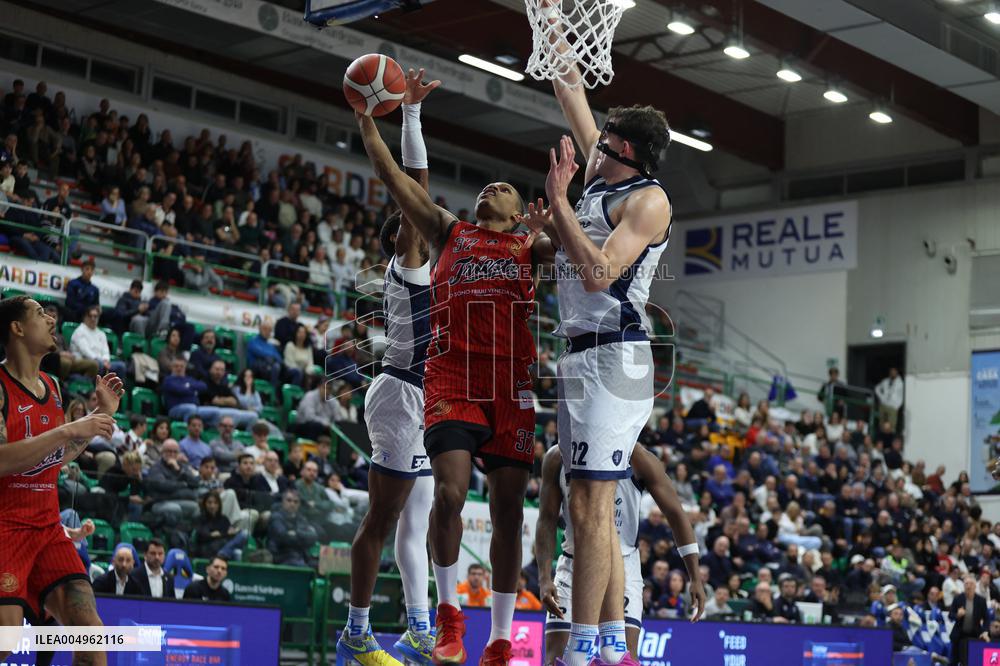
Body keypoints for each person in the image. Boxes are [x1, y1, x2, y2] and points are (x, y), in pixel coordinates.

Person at [357, 67, 556, 666]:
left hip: (511, 386)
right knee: (446, 495)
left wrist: (567, 200)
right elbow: (400, 181)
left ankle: (498, 638)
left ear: (521, 213)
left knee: (506, 514)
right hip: (449, 381)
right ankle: (447, 619)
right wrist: (370, 124)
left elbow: (584, 246)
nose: (491, 185)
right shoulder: (448, 232)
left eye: (503, 186)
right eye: (487, 184)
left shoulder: (532, 246)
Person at [524, 29, 675, 666]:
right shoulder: (600, 171)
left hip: (616, 354)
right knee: (594, 500)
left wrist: (558, 204)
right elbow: (567, 84)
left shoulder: (647, 199)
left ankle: (583, 649)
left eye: (607, 140)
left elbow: (598, 275)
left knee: (588, 502)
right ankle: (611, 645)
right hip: (581, 354)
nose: (595, 143)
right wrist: (551, 19)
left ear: (630, 152)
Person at [339, 72, 439, 666]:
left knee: (416, 517)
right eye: (417, 217)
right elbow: (413, 185)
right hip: (401, 395)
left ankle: (421, 628)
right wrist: (408, 117)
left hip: (424, 396)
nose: (430, 216)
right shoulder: (410, 259)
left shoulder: (439, 267)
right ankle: (355, 631)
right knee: (381, 517)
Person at [0, 296, 120, 666]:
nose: (52, 320)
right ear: (17, 328)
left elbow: (52, 459)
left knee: (91, 637)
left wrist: (98, 418)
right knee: (6, 638)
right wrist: (71, 428)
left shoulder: (52, 386)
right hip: (6, 529)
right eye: (41, 314)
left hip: (48, 530)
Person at [536, 445, 704, 664]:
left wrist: (695, 577)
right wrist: (544, 577)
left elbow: (676, 514)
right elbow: (547, 519)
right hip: (573, 562)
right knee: (556, 660)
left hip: (623, 564)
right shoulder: (557, 456)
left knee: (621, 660)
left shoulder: (638, 457)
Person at [70, 305, 128, 379]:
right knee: (98, 364)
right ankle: (96, 387)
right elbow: (85, 351)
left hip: (102, 363)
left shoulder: (101, 333)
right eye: (90, 316)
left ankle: (115, 390)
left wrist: (106, 360)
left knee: (121, 366)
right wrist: (101, 361)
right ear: (85, 317)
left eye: (95, 316)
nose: (93, 319)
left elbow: (105, 350)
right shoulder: (79, 331)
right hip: (85, 361)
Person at [268, 490, 320, 566]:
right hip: (282, 556)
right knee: (300, 566)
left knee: (322, 566)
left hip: (301, 556)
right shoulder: (276, 517)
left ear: (299, 504)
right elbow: (284, 538)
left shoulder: (302, 519)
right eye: (289, 500)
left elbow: (313, 537)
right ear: (283, 501)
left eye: (296, 502)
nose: (292, 504)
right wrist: (303, 538)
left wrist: (296, 533)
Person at [949, 575, 988, 665]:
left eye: (971, 584)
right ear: (963, 586)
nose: (968, 586)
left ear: (975, 586)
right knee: (954, 661)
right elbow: (950, 615)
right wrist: (957, 615)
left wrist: (985, 631)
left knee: (973, 661)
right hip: (959, 635)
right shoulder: (958, 598)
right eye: (966, 584)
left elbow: (986, 618)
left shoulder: (981, 601)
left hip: (974, 635)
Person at [875, 367, 904, 432]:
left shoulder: (900, 383)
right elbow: (877, 388)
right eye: (891, 372)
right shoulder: (885, 381)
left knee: (891, 427)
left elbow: (902, 397)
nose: (892, 373)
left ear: (897, 372)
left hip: (893, 407)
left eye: (894, 371)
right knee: (881, 425)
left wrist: (897, 406)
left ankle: (890, 439)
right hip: (883, 405)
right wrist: (881, 397)